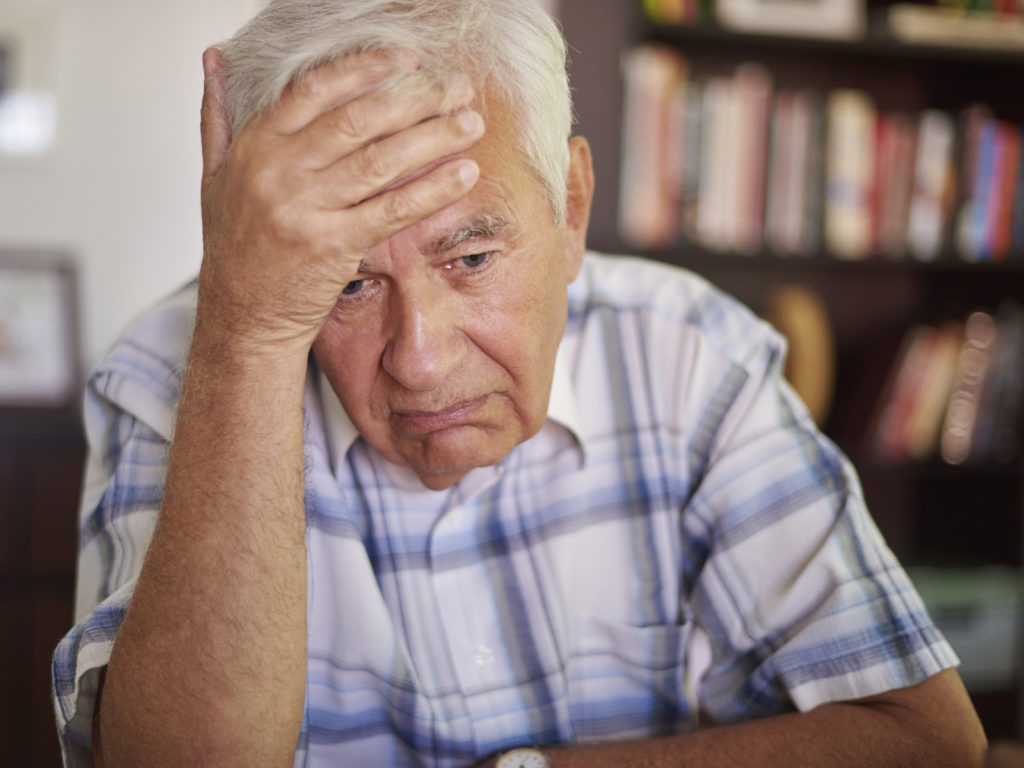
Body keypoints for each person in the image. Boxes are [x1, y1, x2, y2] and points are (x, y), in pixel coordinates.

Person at [52, 0, 988, 766]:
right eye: (346, 281)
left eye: (470, 257)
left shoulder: (689, 349)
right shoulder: (183, 365)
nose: (417, 357)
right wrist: (251, 329)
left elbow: (925, 740)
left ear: (570, 207)